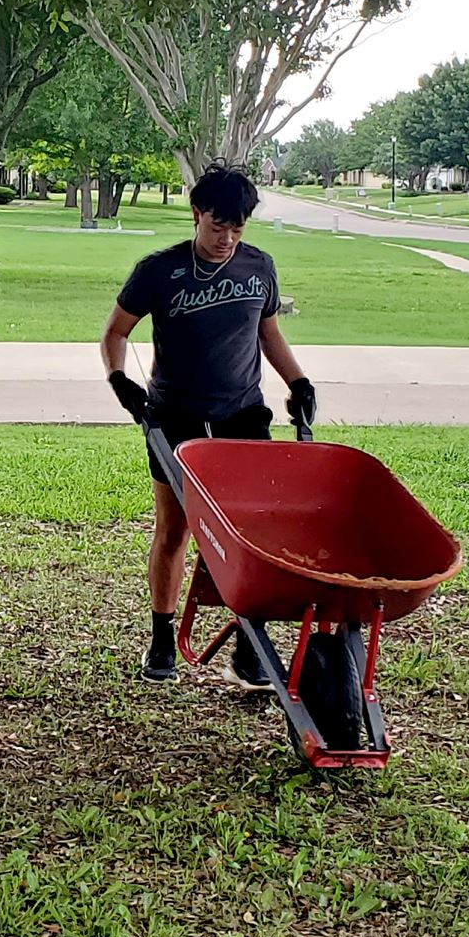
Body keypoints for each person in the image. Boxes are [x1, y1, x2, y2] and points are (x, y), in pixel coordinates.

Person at [101, 164, 314, 684]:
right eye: (218, 226)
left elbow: (268, 335)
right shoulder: (158, 270)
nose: (227, 239)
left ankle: (249, 647)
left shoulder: (259, 268)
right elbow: (115, 333)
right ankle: (161, 641)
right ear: (197, 215)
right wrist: (120, 381)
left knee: (249, 534)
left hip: (242, 414)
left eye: (238, 229)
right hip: (174, 416)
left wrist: (298, 382)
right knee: (174, 529)